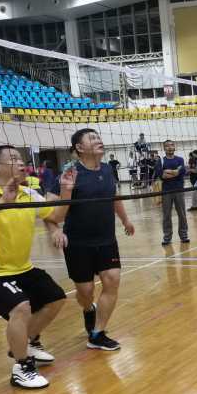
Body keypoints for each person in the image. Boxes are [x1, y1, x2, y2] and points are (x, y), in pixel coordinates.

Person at [0, 145, 75, 388]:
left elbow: (55, 216)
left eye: (21, 158)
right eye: (13, 159)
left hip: (22, 267)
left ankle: (25, 343)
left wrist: (66, 191)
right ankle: (22, 367)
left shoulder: (28, 193)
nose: (21, 162)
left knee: (56, 298)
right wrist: (2, 202)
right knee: (21, 307)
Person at [49, 128, 135, 351]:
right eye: (92, 138)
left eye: (98, 137)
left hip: (106, 240)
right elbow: (51, 211)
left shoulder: (107, 169)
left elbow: (114, 196)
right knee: (86, 291)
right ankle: (88, 309)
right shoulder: (69, 173)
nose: (99, 140)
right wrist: (55, 229)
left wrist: (125, 219)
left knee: (112, 280)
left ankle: (97, 334)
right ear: (79, 147)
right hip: (78, 244)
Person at [156, 140, 189, 246]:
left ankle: (184, 235)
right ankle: (167, 237)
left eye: (171, 145)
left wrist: (168, 171)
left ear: (174, 147)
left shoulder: (180, 159)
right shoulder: (160, 161)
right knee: (166, 215)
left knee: (182, 214)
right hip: (166, 191)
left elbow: (180, 173)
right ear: (164, 148)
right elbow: (162, 176)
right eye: (167, 146)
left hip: (179, 190)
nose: (170, 147)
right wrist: (174, 172)